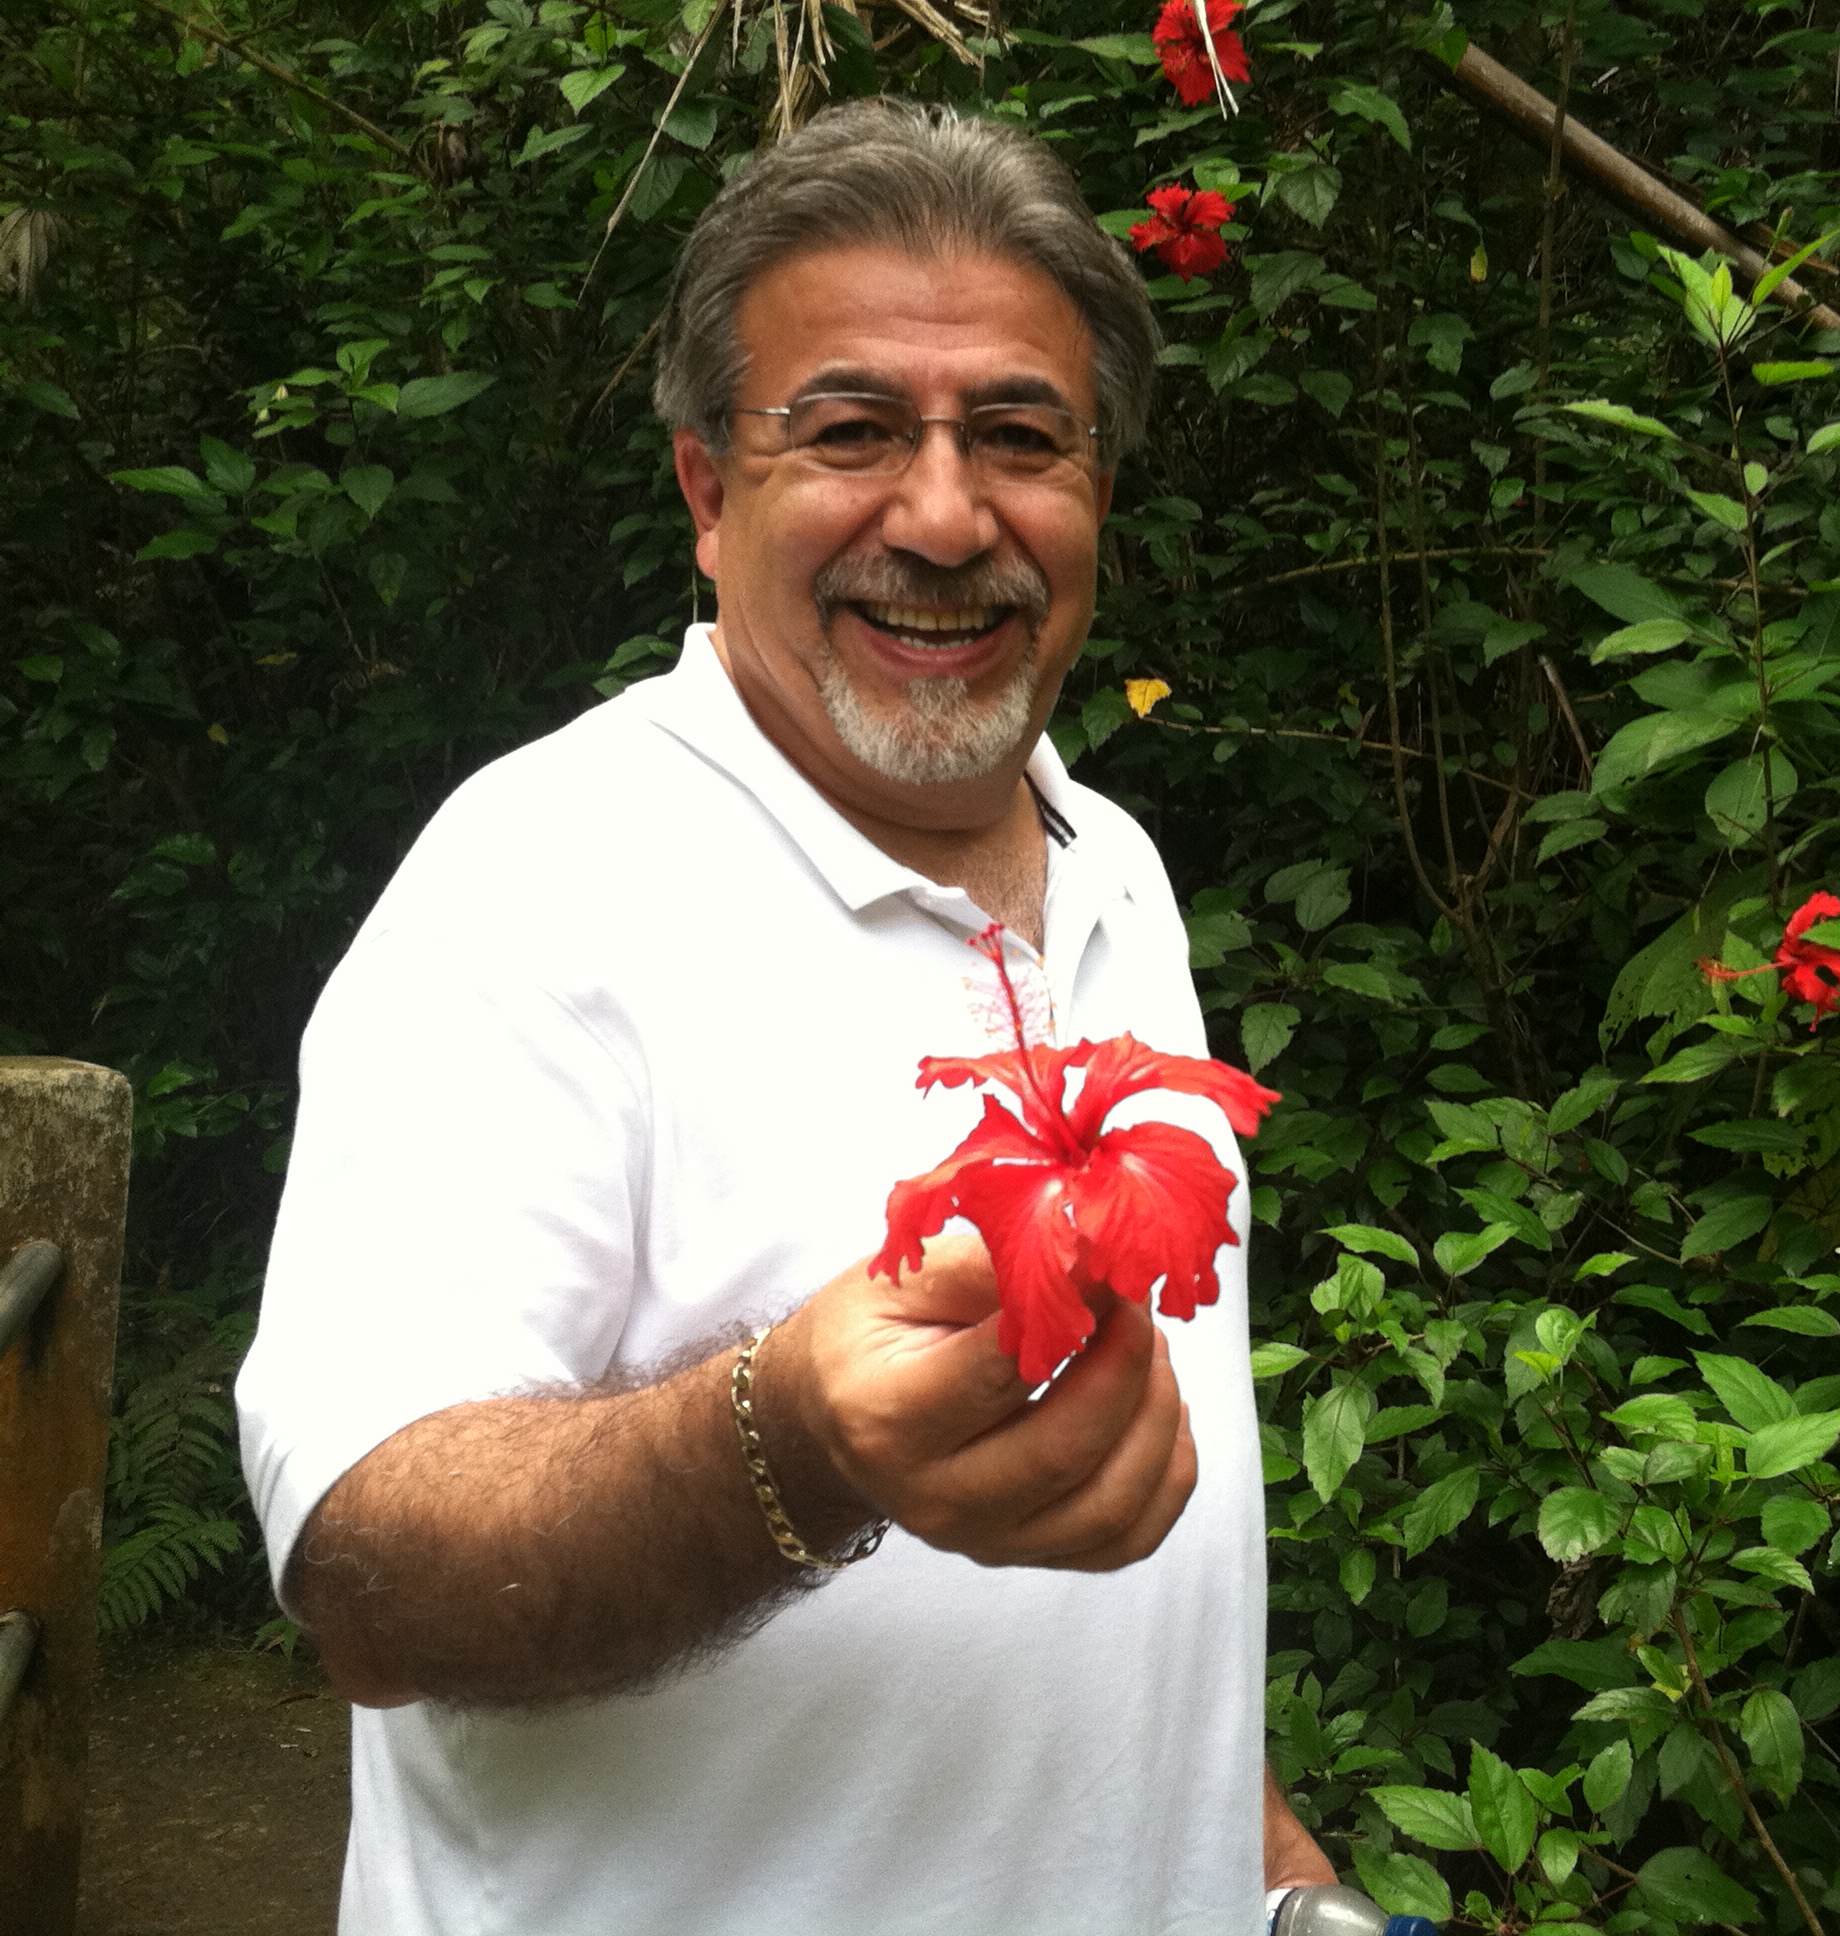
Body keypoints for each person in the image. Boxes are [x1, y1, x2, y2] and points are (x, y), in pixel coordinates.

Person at [234, 98, 1336, 1934]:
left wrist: (1267, 1860)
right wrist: (791, 1445)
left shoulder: (1116, 868)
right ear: (705, 492)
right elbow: (364, 1569)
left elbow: (1124, 1606)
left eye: (1019, 436)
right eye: (850, 430)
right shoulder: (535, 883)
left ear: (1097, 488)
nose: (944, 514)